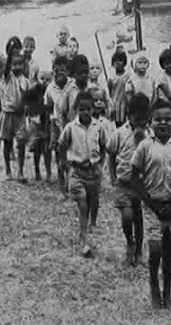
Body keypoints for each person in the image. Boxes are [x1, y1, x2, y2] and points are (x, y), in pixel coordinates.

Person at [131, 99, 171, 309]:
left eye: (167, 119)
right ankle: (154, 287)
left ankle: (167, 293)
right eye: (158, 119)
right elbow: (134, 177)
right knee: (155, 248)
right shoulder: (145, 146)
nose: (163, 123)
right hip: (153, 207)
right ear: (151, 121)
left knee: (169, 249)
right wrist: (150, 203)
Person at [58, 90, 108, 257]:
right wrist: (65, 162)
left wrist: (101, 164)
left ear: (93, 110)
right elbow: (62, 145)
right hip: (77, 171)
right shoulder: (71, 127)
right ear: (76, 110)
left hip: (93, 171)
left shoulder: (98, 127)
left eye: (88, 109)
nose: (84, 112)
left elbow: (103, 146)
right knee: (82, 203)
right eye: (81, 109)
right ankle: (83, 238)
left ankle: (93, 222)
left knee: (94, 200)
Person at [108, 93, 150, 266]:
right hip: (123, 183)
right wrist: (112, 176)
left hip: (140, 184)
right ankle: (129, 243)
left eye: (144, 119)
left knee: (138, 217)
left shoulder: (150, 135)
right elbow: (111, 153)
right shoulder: (119, 133)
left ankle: (139, 250)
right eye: (136, 119)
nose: (140, 123)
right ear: (128, 116)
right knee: (126, 216)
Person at [45, 56, 74, 198]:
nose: (59, 73)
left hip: (71, 126)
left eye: (63, 70)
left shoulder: (73, 86)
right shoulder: (50, 88)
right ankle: (62, 188)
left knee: (72, 157)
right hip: (57, 126)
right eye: (56, 70)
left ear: (68, 71)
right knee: (60, 158)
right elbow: (48, 106)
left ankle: (72, 184)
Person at [0, 51, 31, 182]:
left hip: (20, 116)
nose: (17, 67)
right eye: (15, 64)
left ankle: (20, 170)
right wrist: (10, 53)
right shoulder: (8, 77)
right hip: (8, 114)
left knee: (22, 142)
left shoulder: (26, 81)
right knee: (7, 142)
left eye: (20, 64)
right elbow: (7, 68)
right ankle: (7, 169)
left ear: (24, 66)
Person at [25, 82, 51, 181]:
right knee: (37, 150)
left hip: (46, 127)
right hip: (36, 128)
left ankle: (48, 172)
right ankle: (37, 170)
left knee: (46, 150)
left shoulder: (48, 100)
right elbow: (28, 116)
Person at [64, 55, 90, 125]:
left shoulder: (93, 89)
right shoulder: (68, 89)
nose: (83, 75)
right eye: (80, 73)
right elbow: (62, 111)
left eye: (86, 72)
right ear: (74, 73)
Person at [108, 50, 130, 127]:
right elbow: (109, 91)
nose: (117, 63)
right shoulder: (111, 77)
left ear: (124, 63)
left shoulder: (128, 76)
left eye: (120, 60)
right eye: (115, 61)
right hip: (115, 103)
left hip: (124, 103)